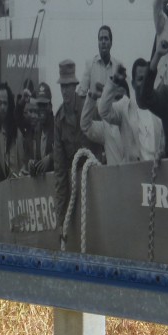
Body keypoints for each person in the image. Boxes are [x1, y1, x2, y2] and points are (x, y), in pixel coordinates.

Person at [52, 61, 101, 224]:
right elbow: (59, 169)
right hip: (74, 185)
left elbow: (103, 141)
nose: (65, 90)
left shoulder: (89, 108)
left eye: (68, 86)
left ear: (74, 86)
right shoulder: (59, 119)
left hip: (96, 180)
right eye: (62, 86)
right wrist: (61, 218)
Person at [78, 25, 122, 99]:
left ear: (111, 43)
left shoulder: (118, 67)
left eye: (106, 38)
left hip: (112, 109)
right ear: (98, 43)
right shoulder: (90, 65)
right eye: (100, 39)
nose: (103, 42)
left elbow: (123, 96)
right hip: (94, 109)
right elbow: (81, 93)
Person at [0, 83, 18, 184]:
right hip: (1, 189)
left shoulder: (17, 131)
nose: (2, 107)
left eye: (5, 103)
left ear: (9, 105)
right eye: (0, 103)